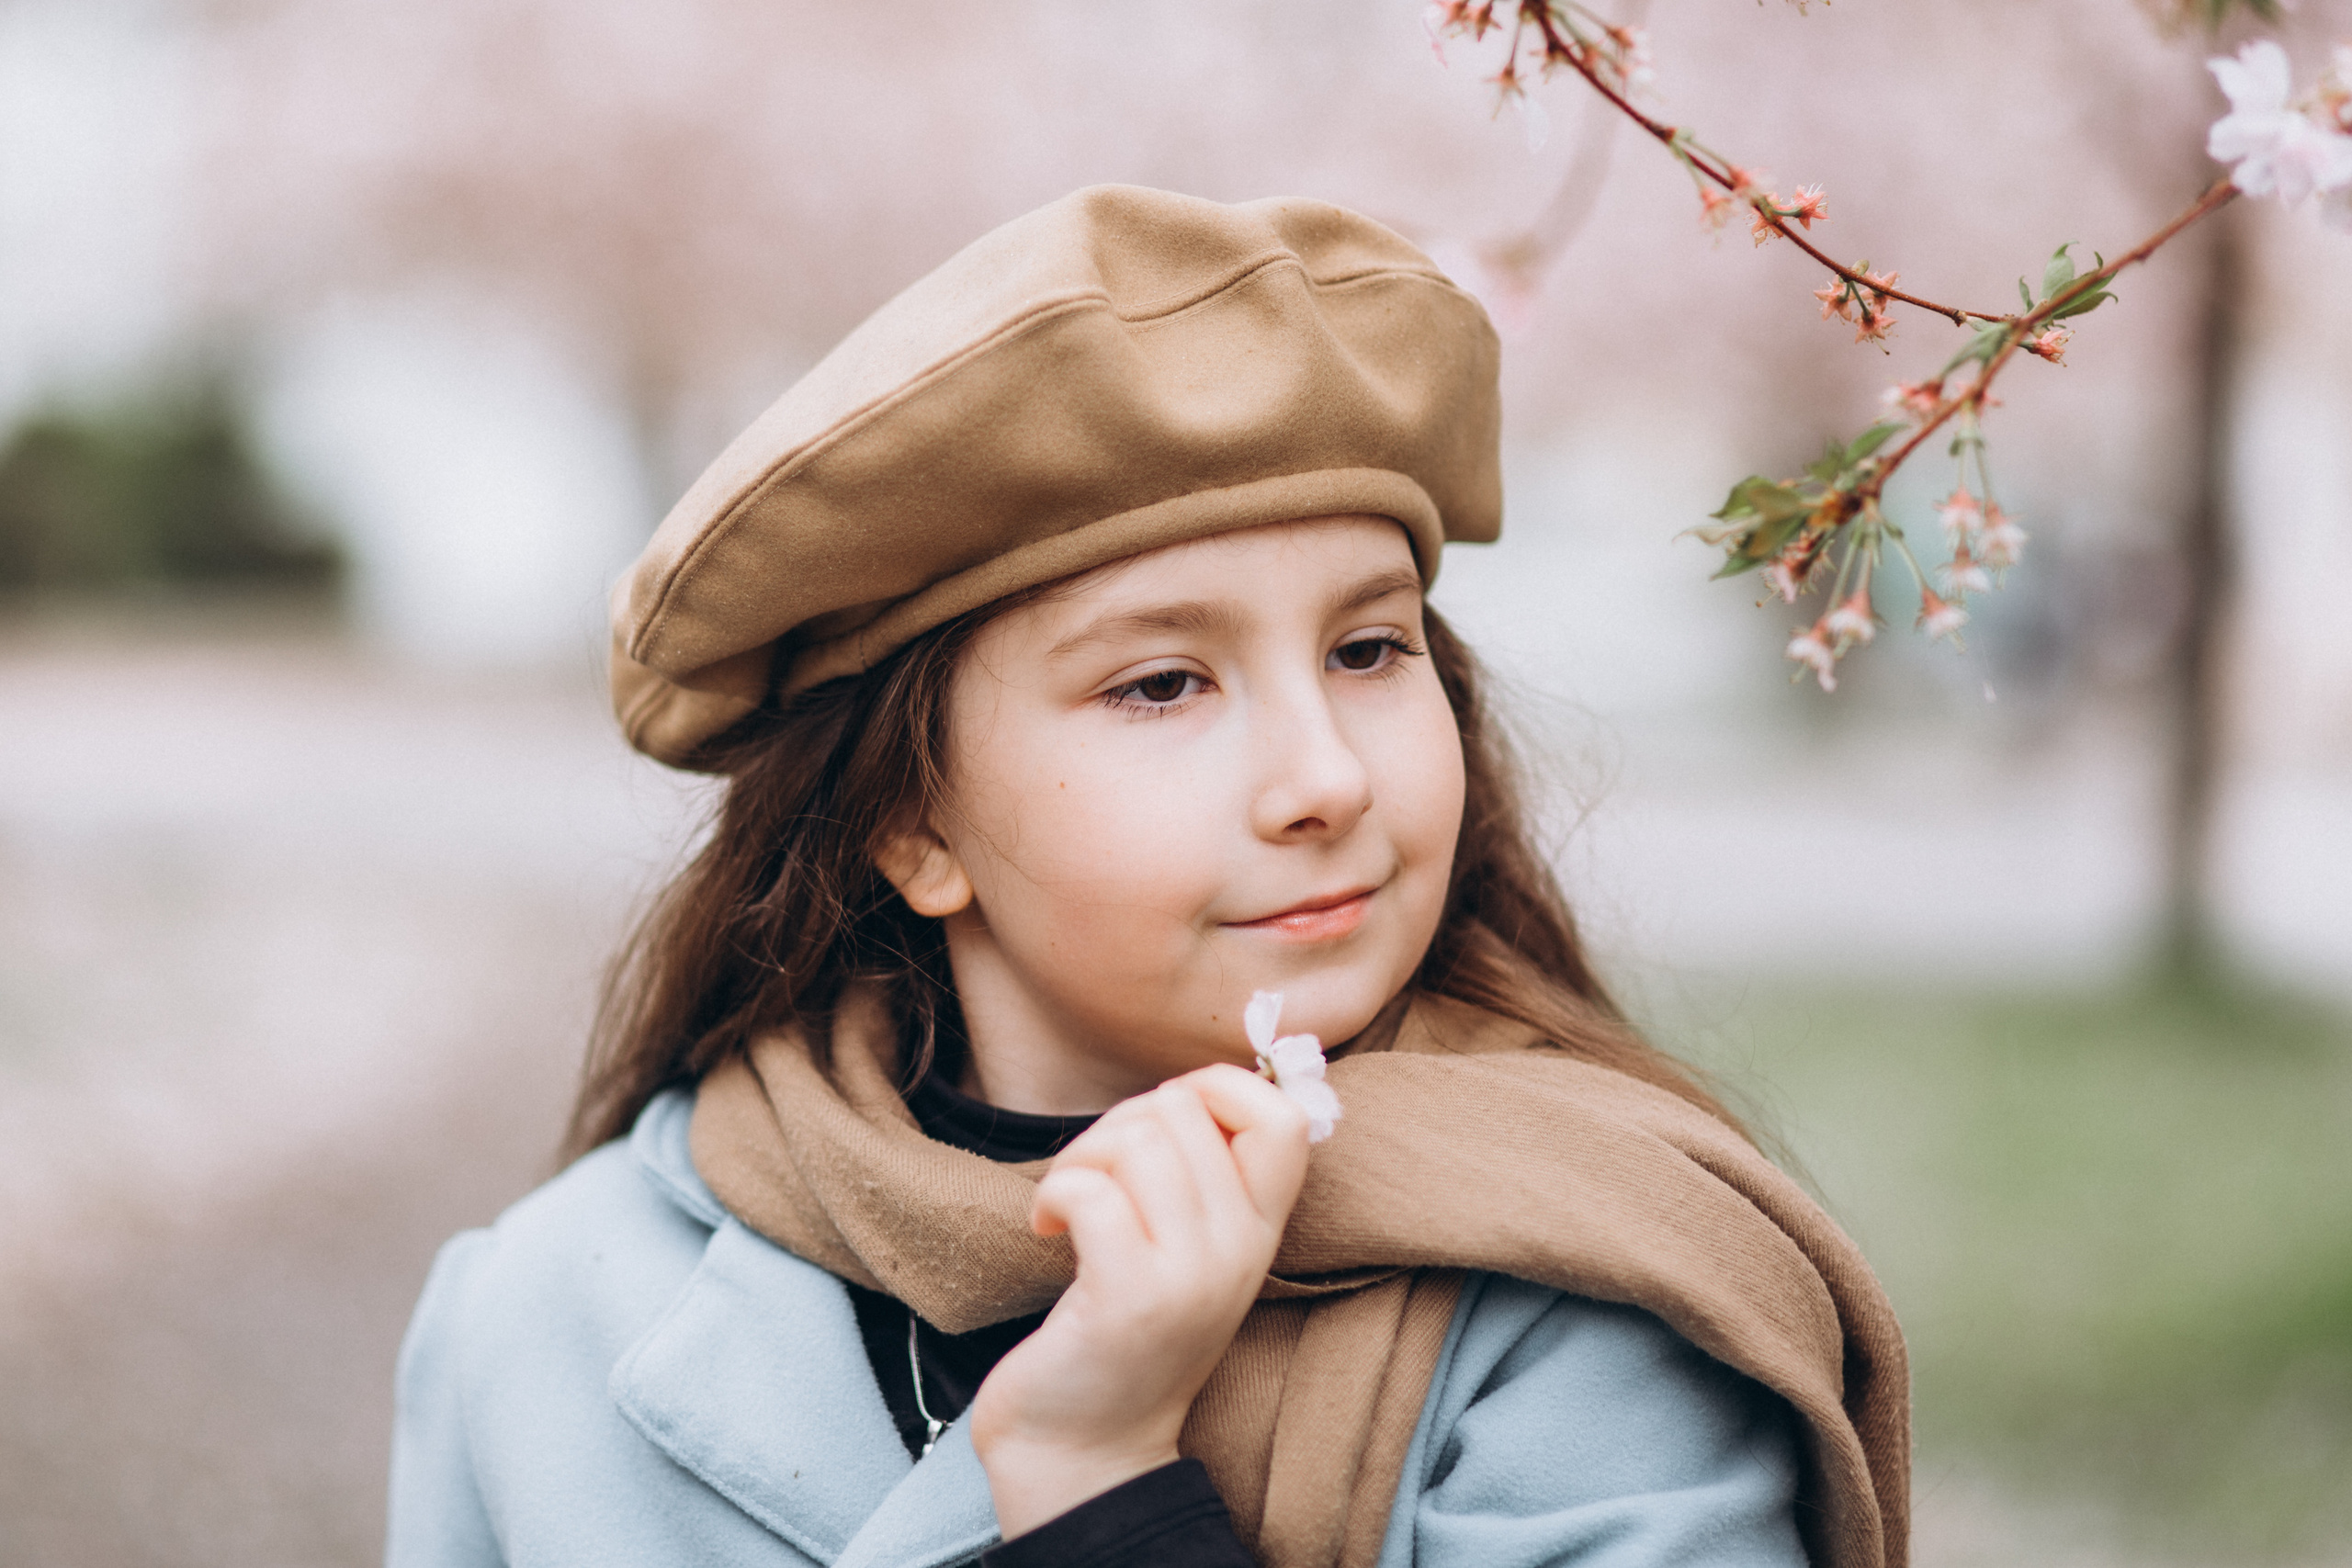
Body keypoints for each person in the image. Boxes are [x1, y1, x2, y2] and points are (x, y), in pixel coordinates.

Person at [386, 185, 1909, 1568]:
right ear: (906, 825)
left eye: (1370, 648)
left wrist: (1097, 1480)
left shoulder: (1588, 1297)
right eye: (1163, 685)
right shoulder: (549, 1315)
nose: (1325, 777)